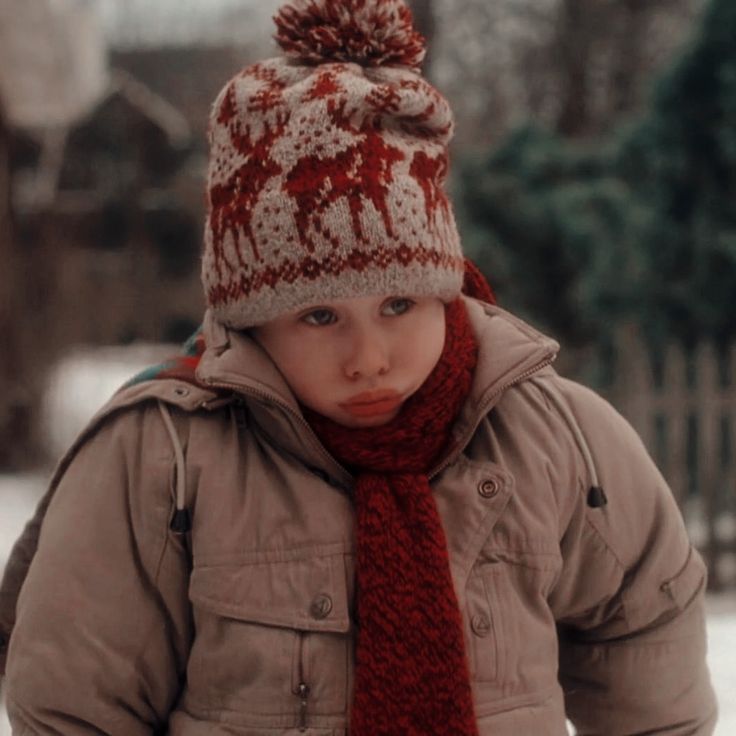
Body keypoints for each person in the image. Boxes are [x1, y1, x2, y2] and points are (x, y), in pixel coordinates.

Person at [0, 0, 718, 734]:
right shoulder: (167, 457)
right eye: (319, 317)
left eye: (401, 305)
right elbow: (74, 700)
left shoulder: (554, 436)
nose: (369, 360)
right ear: (253, 322)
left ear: (446, 288)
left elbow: (646, 625)